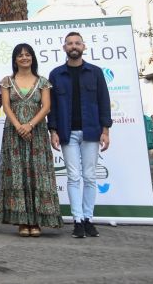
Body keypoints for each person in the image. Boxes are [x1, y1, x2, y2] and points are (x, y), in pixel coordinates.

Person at [48, 31, 112, 239]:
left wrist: (105, 130)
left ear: (83, 47)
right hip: (67, 133)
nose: (73, 46)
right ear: (64, 48)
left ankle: (88, 219)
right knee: (74, 177)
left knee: (90, 177)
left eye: (77, 43)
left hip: (92, 131)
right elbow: (52, 106)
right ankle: (77, 221)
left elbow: (104, 101)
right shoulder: (56, 74)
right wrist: (53, 131)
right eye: (70, 43)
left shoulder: (95, 72)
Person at [0, 43, 62, 237]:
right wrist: (19, 126)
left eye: (27, 54)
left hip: (37, 133)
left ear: (32, 58)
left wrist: (30, 125)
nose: (24, 58)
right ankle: (22, 222)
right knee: (17, 173)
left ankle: (36, 222)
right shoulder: (7, 81)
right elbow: (6, 107)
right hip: (13, 133)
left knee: (37, 174)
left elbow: (46, 107)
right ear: (15, 60)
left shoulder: (43, 82)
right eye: (20, 55)